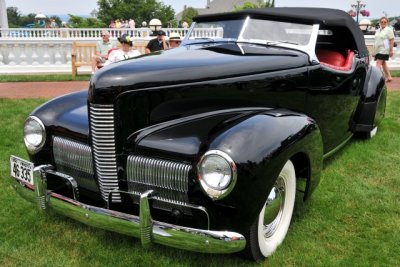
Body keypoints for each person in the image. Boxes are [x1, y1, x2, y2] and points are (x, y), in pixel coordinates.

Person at [373, 16, 395, 83]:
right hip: (378, 49)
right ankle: (389, 77)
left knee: (378, 63)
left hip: (384, 48)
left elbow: (392, 40)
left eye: (385, 22)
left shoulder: (389, 30)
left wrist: (391, 50)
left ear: (387, 23)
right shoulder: (378, 30)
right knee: (383, 63)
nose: (383, 23)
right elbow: (376, 40)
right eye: (382, 22)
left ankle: (377, 79)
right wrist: (374, 52)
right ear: (380, 22)